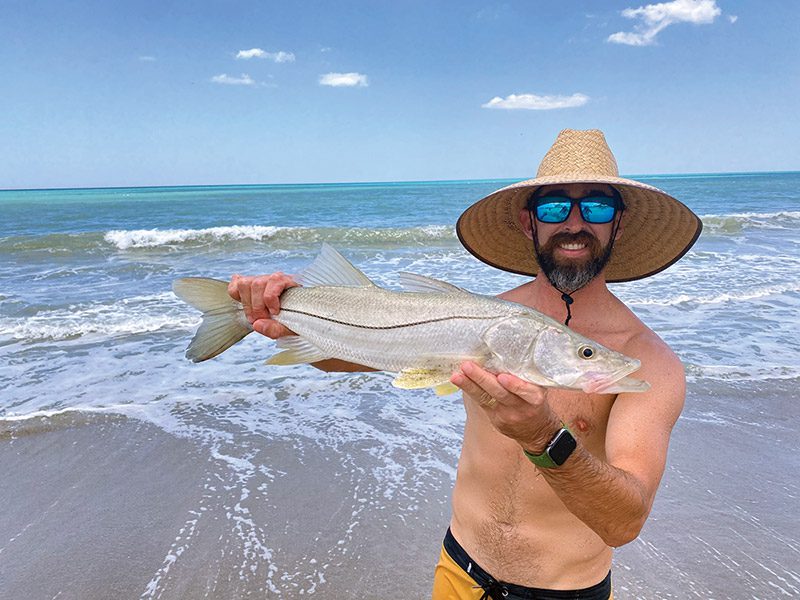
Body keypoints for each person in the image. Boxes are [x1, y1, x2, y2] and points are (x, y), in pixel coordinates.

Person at [228, 129, 702, 599]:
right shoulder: (482, 318)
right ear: (527, 222)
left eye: (596, 207)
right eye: (554, 206)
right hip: (459, 573)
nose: (574, 223)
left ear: (617, 225)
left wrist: (544, 437)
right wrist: (295, 323)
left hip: (567, 593)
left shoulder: (645, 362)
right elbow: (358, 357)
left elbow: (625, 521)